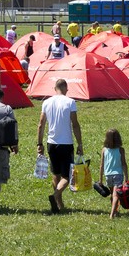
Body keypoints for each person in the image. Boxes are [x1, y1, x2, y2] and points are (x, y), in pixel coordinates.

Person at [37, 79, 84, 213]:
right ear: (66, 88)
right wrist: (80, 143)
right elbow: (75, 124)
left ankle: (59, 204)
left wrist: (39, 143)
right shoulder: (70, 102)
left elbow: (41, 124)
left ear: (54, 88)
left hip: (51, 143)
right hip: (66, 143)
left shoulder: (46, 102)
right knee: (67, 177)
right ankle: (56, 195)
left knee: (55, 173)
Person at [99, 129, 129, 219]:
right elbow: (124, 163)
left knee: (113, 194)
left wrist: (100, 179)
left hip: (108, 175)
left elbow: (101, 165)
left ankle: (115, 211)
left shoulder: (104, 150)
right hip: (118, 174)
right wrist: (126, 177)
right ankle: (112, 214)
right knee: (116, 195)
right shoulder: (120, 150)